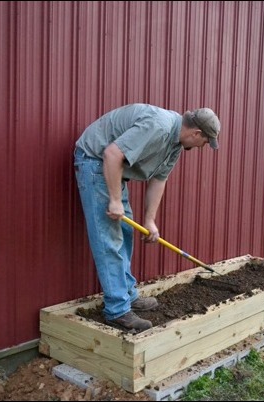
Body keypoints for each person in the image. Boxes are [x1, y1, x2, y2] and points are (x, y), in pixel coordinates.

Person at [73, 103, 221, 332]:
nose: (202, 147)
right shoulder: (159, 127)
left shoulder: (175, 144)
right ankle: (117, 310)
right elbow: (111, 153)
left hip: (114, 169)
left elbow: (159, 180)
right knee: (109, 240)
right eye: (204, 142)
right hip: (95, 162)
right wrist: (114, 200)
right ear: (196, 133)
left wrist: (150, 220)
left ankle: (128, 294)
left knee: (125, 233)